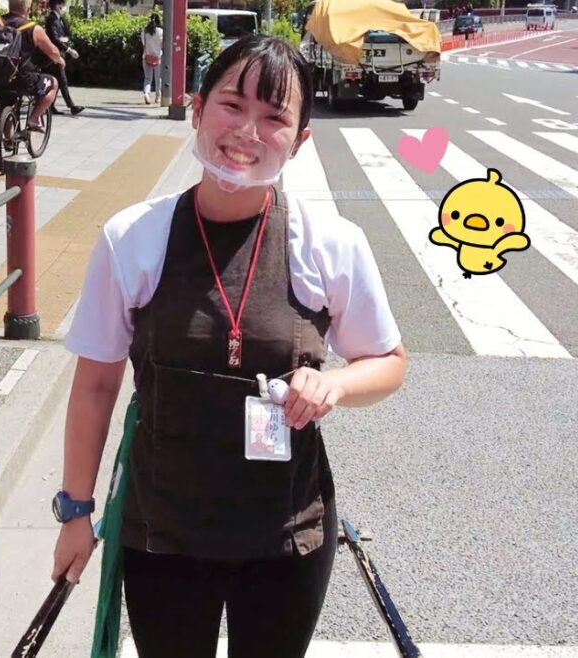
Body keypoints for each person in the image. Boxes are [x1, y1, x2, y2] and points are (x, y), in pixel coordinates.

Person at [51, 34, 407, 658]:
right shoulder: (132, 238)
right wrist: (75, 513)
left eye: (274, 118)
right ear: (197, 108)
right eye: (232, 105)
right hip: (163, 535)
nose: (247, 131)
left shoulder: (330, 243)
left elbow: (388, 363)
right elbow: (96, 384)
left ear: (299, 141)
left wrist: (335, 384)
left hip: (286, 537)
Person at [0, 0, 65, 130]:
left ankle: (7, 137)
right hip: (24, 79)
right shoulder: (33, 28)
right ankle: (34, 119)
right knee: (53, 84)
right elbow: (53, 52)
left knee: (4, 105)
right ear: (28, 8)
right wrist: (60, 60)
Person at [43, 0, 85, 115]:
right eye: (62, 4)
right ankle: (72, 106)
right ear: (57, 6)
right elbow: (54, 39)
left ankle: (50, 106)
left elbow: (67, 36)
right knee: (62, 80)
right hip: (55, 55)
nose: (64, 7)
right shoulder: (52, 19)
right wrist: (69, 50)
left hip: (61, 54)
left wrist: (65, 40)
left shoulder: (60, 19)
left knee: (57, 81)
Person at [141, 14, 164, 105]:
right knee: (158, 78)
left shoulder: (144, 32)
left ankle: (146, 93)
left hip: (146, 57)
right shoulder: (160, 31)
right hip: (157, 57)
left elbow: (144, 44)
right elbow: (162, 44)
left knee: (147, 78)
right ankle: (158, 97)